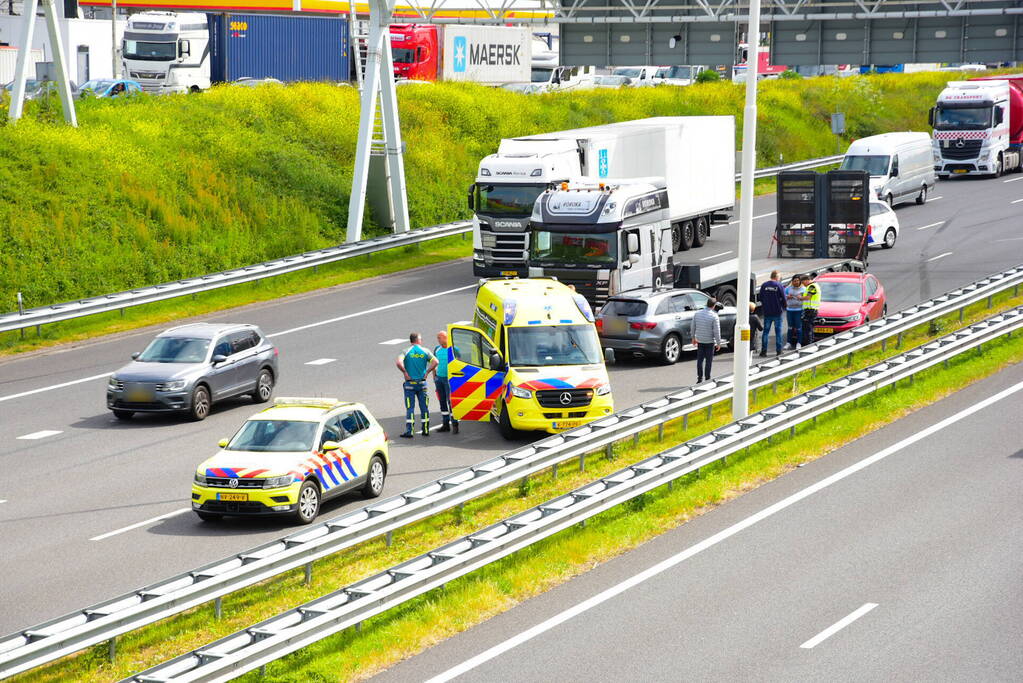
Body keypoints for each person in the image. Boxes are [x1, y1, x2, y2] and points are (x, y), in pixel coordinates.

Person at [396, 332, 438, 438]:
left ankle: (410, 431)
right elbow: (436, 362)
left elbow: (398, 362)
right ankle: (425, 429)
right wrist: (427, 372)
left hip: (410, 384)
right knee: (424, 407)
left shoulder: (406, 351)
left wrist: (405, 372)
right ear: (418, 340)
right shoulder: (425, 351)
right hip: (422, 384)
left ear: (411, 341)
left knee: (410, 408)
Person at [432, 330, 459, 434]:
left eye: (440, 337)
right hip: (439, 379)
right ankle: (445, 424)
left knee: (451, 402)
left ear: (446, 338)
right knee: (442, 401)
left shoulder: (454, 349)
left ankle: (455, 424)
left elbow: (459, 364)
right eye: (438, 338)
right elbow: (433, 363)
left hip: (449, 380)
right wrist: (434, 377)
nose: (438, 340)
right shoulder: (437, 349)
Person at [691, 297, 722, 384]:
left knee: (699, 360)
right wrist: (718, 343)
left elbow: (693, 326)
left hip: (700, 340)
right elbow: (716, 331)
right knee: (708, 361)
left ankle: (699, 378)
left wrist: (693, 337)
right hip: (709, 342)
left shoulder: (697, 313)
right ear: (714, 306)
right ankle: (707, 378)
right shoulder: (714, 316)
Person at [757, 270, 786, 356]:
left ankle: (763, 351)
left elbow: (761, 297)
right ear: (777, 277)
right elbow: (784, 298)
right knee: (778, 332)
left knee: (765, 332)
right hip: (777, 312)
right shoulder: (779, 285)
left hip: (767, 312)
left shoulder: (764, 285)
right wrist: (784, 307)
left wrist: (766, 305)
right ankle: (779, 351)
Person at [784, 274, 805, 349]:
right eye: (794, 281)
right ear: (792, 282)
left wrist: (801, 298)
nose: (796, 282)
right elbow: (783, 296)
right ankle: (788, 342)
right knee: (790, 327)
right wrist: (787, 297)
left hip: (799, 310)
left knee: (798, 327)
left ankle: (799, 343)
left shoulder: (803, 289)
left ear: (800, 281)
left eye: (797, 281)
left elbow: (807, 298)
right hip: (790, 310)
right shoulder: (788, 289)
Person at [801, 274, 822, 346]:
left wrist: (800, 298)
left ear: (806, 280)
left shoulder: (812, 286)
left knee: (808, 329)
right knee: (809, 328)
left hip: (811, 311)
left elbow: (808, 297)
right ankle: (810, 344)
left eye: (803, 283)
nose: (803, 285)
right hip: (810, 310)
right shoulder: (812, 286)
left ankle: (808, 345)